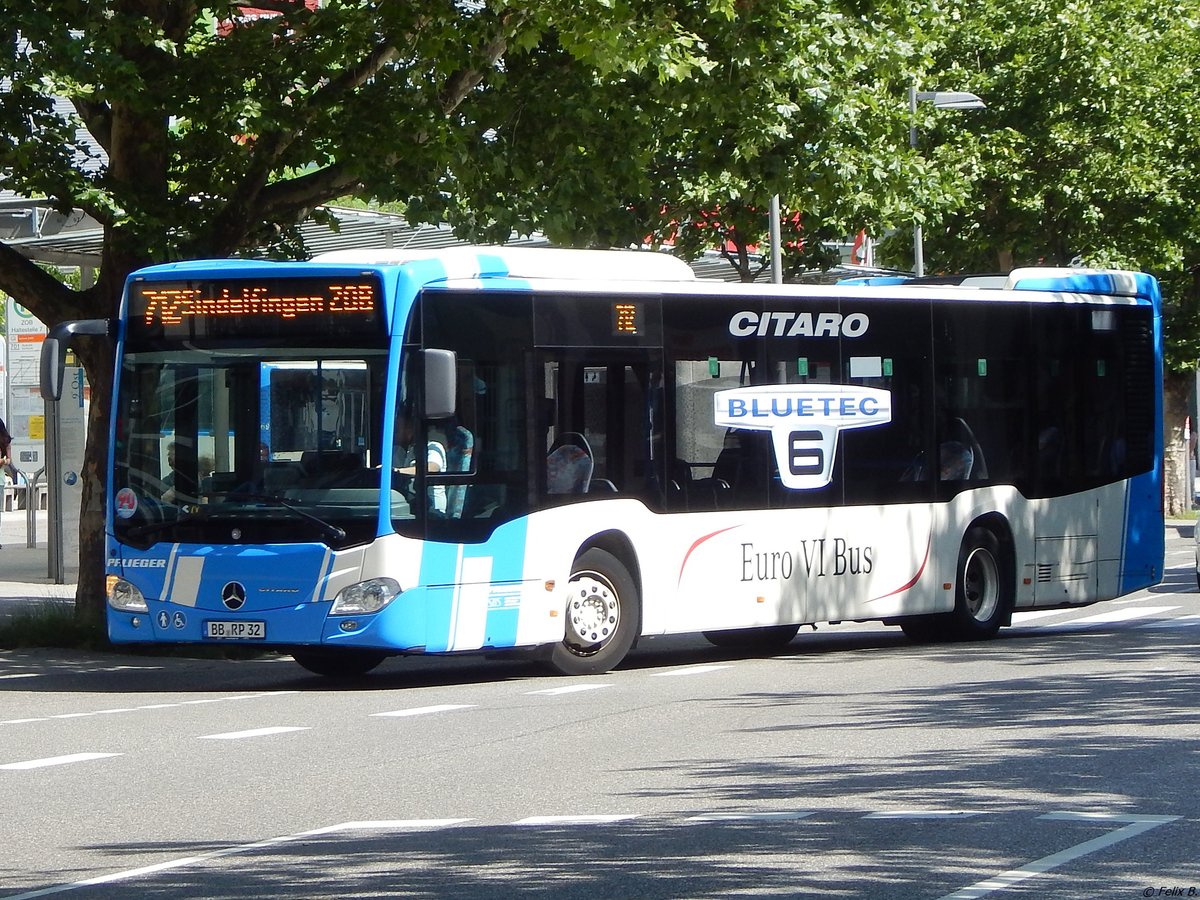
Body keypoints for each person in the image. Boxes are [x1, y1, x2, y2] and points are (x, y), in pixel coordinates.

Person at [394, 412, 447, 515]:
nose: (394, 434)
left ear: (410, 429)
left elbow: (433, 467)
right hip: (412, 503)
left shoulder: (433, 447)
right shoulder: (407, 451)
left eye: (397, 430)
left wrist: (398, 471)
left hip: (432, 511)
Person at [0, 416, 10, 548]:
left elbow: (8, 459)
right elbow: (8, 460)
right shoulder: (4, 441)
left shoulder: (4, 442)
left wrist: (3, 461)